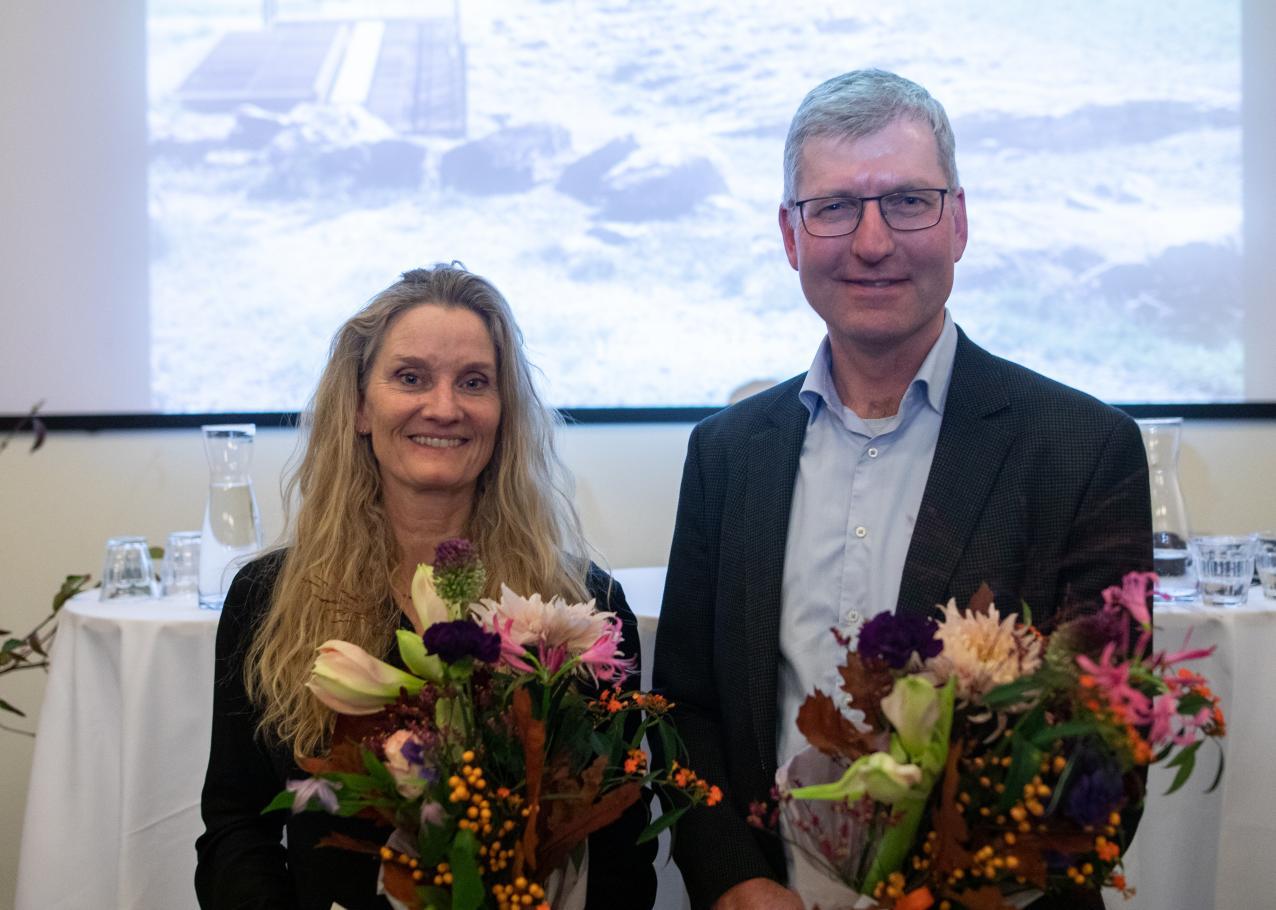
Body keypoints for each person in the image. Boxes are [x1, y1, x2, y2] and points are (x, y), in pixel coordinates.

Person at [653, 70, 1152, 910]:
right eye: (836, 207)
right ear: (790, 234)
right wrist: (732, 878)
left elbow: (1107, 747)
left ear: (959, 221)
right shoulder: (726, 453)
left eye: (908, 203)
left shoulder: (1083, 449)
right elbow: (688, 709)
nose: (873, 242)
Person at [195, 265, 657, 910]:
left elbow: (617, 841)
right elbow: (236, 826)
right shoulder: (267, 598)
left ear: (504, 415)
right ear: (359, 405)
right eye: (410, 377)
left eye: (474, 382)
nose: (444, 407)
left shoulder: (581, 609)